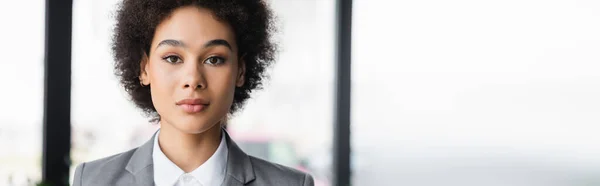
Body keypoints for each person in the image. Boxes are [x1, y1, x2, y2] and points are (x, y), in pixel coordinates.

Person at [72, 0, 314, 185]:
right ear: (144, 68)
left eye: (214, 59)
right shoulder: (92, 180)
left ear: (240, 71)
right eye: (173, 58)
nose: (193, 80)